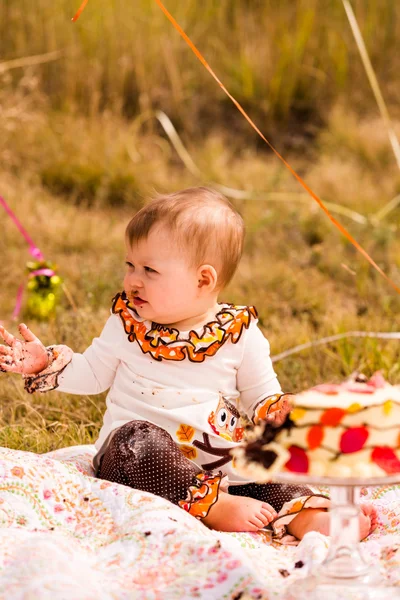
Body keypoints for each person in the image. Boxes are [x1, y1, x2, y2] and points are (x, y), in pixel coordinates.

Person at [0, 187, 377, 541]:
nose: (133, 280)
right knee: (137, 439)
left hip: (219, 464)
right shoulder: (127, 325)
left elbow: (262, 399)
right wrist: (44, 363)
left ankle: (306, 515)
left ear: (203, 279)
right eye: (130, 265)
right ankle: (208, 505)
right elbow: (93, 374)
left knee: (260, 463)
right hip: (139, 465)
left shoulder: (240, 335)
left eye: (149, 270)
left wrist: (287, 408)